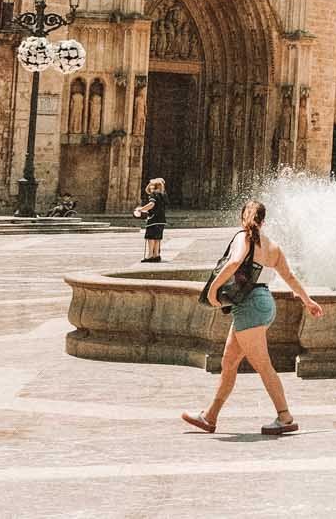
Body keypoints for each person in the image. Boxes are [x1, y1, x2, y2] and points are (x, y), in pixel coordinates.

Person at [181, 200, 325, 437]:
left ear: (243, 218)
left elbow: (235, 261)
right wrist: (307, 301)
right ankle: (210, 417)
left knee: (263, 364)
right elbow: (289, 276)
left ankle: (285, 416)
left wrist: (212, 289)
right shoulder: (272, 246)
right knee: (229, 362)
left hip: (249, 305)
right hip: (263, 302)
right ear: (264, 221)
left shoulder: (244, 237)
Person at [133, 178, 168, 263]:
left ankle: (150, 255)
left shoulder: (154, 194)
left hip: (153, 218)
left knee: (150, 237)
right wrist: (153, 182)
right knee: (157, 238)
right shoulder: (163, 195)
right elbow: (147, 190)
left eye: (152, 185)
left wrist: (141, 209)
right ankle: (156, 255)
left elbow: (151, 204)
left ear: (154, 186)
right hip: (162, 219)